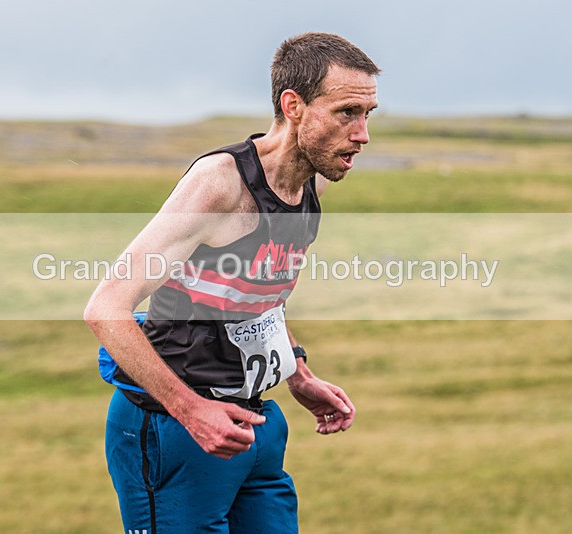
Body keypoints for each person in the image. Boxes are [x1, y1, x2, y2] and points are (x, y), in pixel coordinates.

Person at [84, 32, 380, 533]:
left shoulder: (313, 181)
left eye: (368, 114)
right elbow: (106, 307)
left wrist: (298, 374)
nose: (363, 134)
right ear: (294, 106)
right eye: (346, 113)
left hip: (254, 429)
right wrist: (191, 411)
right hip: (176, 429)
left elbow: (260, 296)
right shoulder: (220, 183)